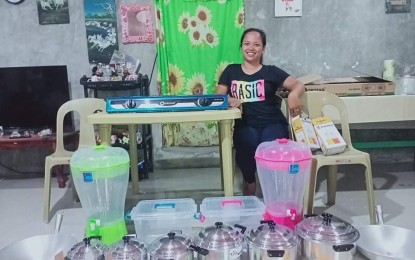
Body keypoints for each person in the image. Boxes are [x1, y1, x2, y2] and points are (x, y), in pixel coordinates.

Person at [216, 28, 305, 195]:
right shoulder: (231, 70)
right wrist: (230, 99)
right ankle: (250, 181)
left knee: (272, 147)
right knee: (246, 143)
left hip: (272, 122)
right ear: (241, 46)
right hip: (246, 123)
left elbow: (299, 85)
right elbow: (218, 97)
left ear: (263, 48)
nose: (251, 48)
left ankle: (274, 190)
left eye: (256, 44)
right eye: (247, 44)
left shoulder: (271, 71)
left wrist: (294, 94)